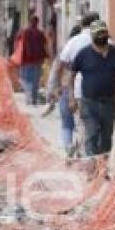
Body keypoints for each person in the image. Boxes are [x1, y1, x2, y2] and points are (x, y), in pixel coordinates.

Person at [69, 20, 115, 157]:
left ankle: (103, 167)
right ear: (93, 36)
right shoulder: (83, 54)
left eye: (103, 32)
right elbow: (71, 76)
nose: (101, 35)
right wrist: (72, 98)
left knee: (106, 137)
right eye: (98, 33)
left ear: (107, 34)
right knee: (92, 135)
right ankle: (93, 168)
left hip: (109, 103)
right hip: (89, 103)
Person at [47, 12, 102, 155]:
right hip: (96, 90)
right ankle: (81, 149)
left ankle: (70, 148)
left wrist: (54, 88)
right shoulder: (104, 41)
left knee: (69, 124)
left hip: (70, 90)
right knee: (88, 125)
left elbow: (57, 68)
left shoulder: (72, 44)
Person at [13, 15, 50, 105]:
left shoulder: (24, 32)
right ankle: (33, 97)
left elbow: (17, 43)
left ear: (30, 22)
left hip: (26, 60)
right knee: (35, 80)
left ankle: (29, 96)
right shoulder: (40, 33)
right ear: (37, 23)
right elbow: (46, 45)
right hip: (38, 60)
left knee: (24, 78)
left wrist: (16, 53)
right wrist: (48, 55)